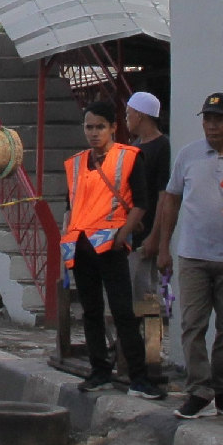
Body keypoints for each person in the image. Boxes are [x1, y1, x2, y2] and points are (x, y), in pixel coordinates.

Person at [154, 90, 223, 418]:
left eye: (219, 119)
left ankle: (220, 389)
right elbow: (171, 199)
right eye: (207, 118)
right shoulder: (188, 155)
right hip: (193, 255)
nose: (212, 125)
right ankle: (198, 389)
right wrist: (164, 247)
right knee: (192, 326)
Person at [62, 103, 158, 397]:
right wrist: (66, 240)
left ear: (113, 127)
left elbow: (141, 203)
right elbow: (71, 206)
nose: (94, 133)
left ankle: (139, 378)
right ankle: (99, 371)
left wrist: (123, 236)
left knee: (122, 311)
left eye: (100, 127)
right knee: (90, 311)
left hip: (111, 245)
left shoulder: (128, 158)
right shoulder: (76, 163)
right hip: (81, 245)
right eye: (89, 127)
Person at [120, 90, 173, 362]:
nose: (127, 120)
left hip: (148, 234)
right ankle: (132, 348)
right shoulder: (135, 148)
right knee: (129, 294)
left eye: (129, 114)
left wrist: (156, 236)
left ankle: (153, 351)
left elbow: (164, 195)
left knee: (147, 294)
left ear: (139, 115)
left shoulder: (162, 147)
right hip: (133, 233)